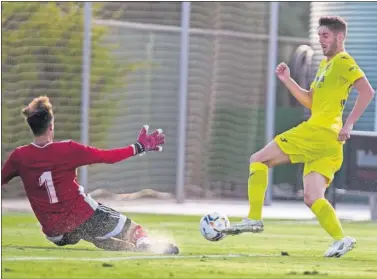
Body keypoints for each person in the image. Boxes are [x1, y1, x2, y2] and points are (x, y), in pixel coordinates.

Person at [222, 16, 375, 258]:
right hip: (329, 143)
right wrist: (288, 80)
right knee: (312, 197)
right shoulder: (326, 65)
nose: (320, 40)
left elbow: (367, 91)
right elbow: (311, 100)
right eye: (319, 35)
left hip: (318, 132)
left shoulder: (344, 61)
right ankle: (341, 239)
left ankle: (253, 218)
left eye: (325, 35)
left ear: (339, 37)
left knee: (258, 159)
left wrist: (350, 124)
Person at [1, 96, 179, 254]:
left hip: (56, 234)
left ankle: (134, 248)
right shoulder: (67, 149)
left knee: (98, 237)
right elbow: (108, 157)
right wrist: (139, 147)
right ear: (51, 125)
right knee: (133, 229)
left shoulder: (19, 156)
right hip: (82, 216)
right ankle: (147, 245)